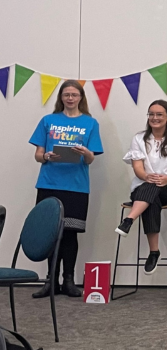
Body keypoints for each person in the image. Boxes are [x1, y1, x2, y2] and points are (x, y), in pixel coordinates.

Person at [29, 80, 103, 298]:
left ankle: (68, 280)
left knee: (70, 234)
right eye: (66, 94)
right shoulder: (48, 120)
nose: (70, 98)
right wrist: (46, 156)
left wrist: (84, 152)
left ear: (81, 97)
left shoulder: (90, 123)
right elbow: (37, 156)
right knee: (50, 235)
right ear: (61, 97)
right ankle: (51, 281)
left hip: (76, 186)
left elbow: (91, 159)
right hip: (49, 184)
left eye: (74, 94)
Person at [115, 100, 167, 274]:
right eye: (151, 114)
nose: (154, 118)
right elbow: (137, 168)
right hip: (144, 185)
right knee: (151, 193)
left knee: (152, 190)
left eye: (159, 114)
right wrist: (146, 176)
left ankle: (129, 220)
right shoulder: (139, 139)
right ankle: (153, 252)